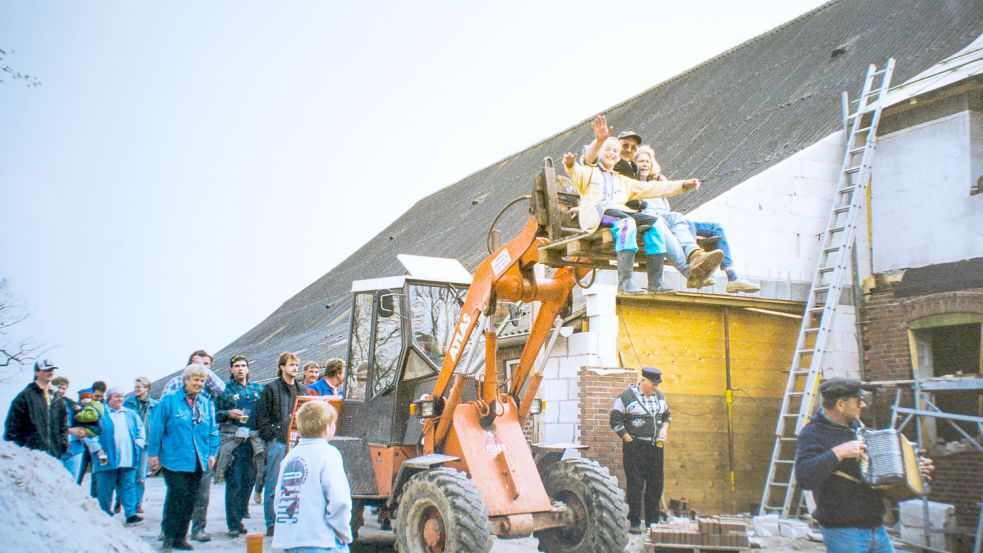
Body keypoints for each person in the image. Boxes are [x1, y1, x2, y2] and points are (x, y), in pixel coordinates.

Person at [569, 115, 723, 294]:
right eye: (610, 149)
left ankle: (658, 281)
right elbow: (584, 161)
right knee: (627, 224)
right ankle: (626, 282)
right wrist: (599, 140)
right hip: (602, 214)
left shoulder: (624, 179)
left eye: (617, 151)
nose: (613, 153)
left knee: (656, 224)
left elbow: (652, 188)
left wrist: (682, 185)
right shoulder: (591, 172)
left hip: (622, 212)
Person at [795, 378, 933, 553]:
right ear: (840, 404)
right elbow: (804, 478)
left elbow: (881, 474)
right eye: (858, 401)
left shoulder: (860, 430)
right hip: (843, 532)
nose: (863, 405)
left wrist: (915, 469)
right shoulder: (813, 433)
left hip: (876, 528)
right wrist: (838, 452)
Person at [634, 147, 760, 293]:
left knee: (714, 227)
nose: (644, 164)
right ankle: (693, 266)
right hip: (654, 219)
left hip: (669, 218)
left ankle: (731, 277)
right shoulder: (633, 182)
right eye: (640, 161)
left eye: (647, 161)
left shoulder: (659, 181)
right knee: (674, 224)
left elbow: (670, 194)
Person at [150, 364, 220, 551]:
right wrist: (153, 454)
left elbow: (213, 431)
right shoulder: (169, 401)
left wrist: (212, 453)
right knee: (177, 497)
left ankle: (181, 537)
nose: (199, 383)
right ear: (186, 381)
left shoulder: (206, 403)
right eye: (195, 380)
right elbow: (157, 428)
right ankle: (168, 538)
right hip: (174, 459)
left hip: (198, 459)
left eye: (202, 380)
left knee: (190, 499)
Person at [271, 400, 352, 553]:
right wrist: (344, 533)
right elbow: (340, 501)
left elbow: (279, 500)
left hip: (290, 542)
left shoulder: (289, 458)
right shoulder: (329, 454)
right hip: (321, 541)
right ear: (327, 428)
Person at [161, 349, 225, 543]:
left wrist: (205, 371)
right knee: (177, 493)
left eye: (207, 365)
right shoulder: (173, 387)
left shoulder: (207, 393)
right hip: (179, 450)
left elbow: (222, 390)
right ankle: (169, 531)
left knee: (201, 493)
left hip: (202, 449)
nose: (202, 373)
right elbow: (162, 420)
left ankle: (197, 529)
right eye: (199, 365)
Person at [610, 367, 671, 534]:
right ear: (643, 381)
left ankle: (652, 523)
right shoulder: (626, 396)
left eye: (657, 385)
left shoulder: (659, 396)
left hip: (655, 447)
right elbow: (615, 421)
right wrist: (628, 440)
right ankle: (634, 522)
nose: (655, 388)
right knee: (635, 485)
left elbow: (667, 415)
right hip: (635, 446)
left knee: (655, 485)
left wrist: (664, 429)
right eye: (653, 384)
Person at [255, 351, 308, 537]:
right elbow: (261, 418)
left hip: (298, 443)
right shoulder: (271, 389)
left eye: (296, 365)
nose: (295, 368)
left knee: (296, 485)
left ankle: (292, 520)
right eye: (291, 365)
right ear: (282, 367)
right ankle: (272, 522)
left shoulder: (302, 390)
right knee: (274, 483)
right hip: (277, 443)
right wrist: (273, 435)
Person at [214, 354, 266, 537]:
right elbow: (214, 414)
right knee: (234, 482)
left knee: (250, 479)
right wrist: (229, 413)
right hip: (234, 440)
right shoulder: (224, 391)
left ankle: (242, 511)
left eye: (243, 365)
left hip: (252, 442)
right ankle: (234, 523)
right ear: (231, 369)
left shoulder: (257, 389)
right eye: (236, 366)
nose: (240, 369)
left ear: (248, 368)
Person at [89, 388, 145, 524]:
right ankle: (105, 513)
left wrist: (138, 444)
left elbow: (140, 430)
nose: (120, 399)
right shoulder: (100, 414)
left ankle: (131, 514)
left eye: (122, 396)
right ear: (109, 399)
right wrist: (98, 449)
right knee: (105, 486)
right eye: (116, 396)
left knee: (128, 485)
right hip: (106, 456)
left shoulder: (131, 414)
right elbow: (90, 433)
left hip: (128, 456)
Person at [4, 359, 69, 459]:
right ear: (37, 373)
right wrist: (20, 452)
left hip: (54, 455)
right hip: (31, 456)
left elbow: (63, 424)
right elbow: (12, 428)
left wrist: (63, 444)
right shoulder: (25, 396)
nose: (50, 372)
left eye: (52, 369)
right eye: (46, 370)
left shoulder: (57, 397)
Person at [124, 376, 158, 513]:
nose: (136, 389)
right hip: (131, 443)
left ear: (147, 388)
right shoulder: (128, 403)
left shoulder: (155, 405)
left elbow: (158, 426)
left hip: (146, 444)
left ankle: (137, 503)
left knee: (140, 475)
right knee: (127, 473)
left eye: (139, 387)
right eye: (135, 386)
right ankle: (123, 500)